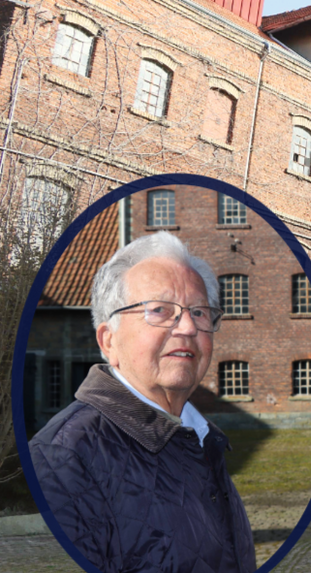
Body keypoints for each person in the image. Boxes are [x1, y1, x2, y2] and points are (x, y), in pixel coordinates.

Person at [30, 231, 256, 573]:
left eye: (199, 312)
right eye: (160, 310)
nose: (187, 327)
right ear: (109, 341)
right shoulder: (61, 460)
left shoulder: (202, 441)